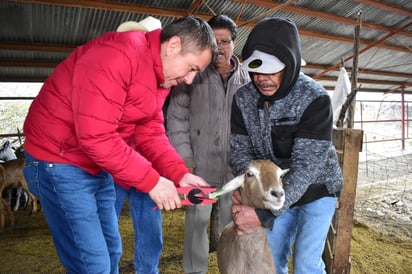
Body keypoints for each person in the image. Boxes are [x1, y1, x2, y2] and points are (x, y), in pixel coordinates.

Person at [22, 15, 218, 274]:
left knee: (111, 250)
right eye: (192, 68)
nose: (190, 80)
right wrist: (152, 181)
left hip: (95, 164)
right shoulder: (116, 56)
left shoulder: (159, 78)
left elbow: (150, 131)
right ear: (172, 46)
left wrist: (179, 173)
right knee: (92, 264)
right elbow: (96, 136)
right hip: (58, 161)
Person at [229, 17, 343, 274]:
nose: (262, 78)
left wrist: (265, 215)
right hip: (272, 191)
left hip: (317, 190)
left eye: (272, 70)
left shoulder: (314, 98)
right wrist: (249, 187)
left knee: (305, 263)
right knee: (271, 258)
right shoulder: (243, 99)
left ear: (290, 64)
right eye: (256, 70)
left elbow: (306, 167)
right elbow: (241, 151)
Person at [166, 14, 250, 274]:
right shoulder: (193, 74)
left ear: (234, 44)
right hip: (199, 170)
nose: (220, 47)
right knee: (196, 225)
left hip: (234, 173)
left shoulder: (248, 78)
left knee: (232, 227)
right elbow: (176, 120)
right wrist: (185, 162)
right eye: (215, 41)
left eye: (225, 41)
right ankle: (195, 271)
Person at [113, 16, 164, 274]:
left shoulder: (163, 81)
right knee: (105, 224)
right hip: (114, 163)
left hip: (146, 164)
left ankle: (148, 270)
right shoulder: (118, 70)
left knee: (150, 228)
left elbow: (156, 128)